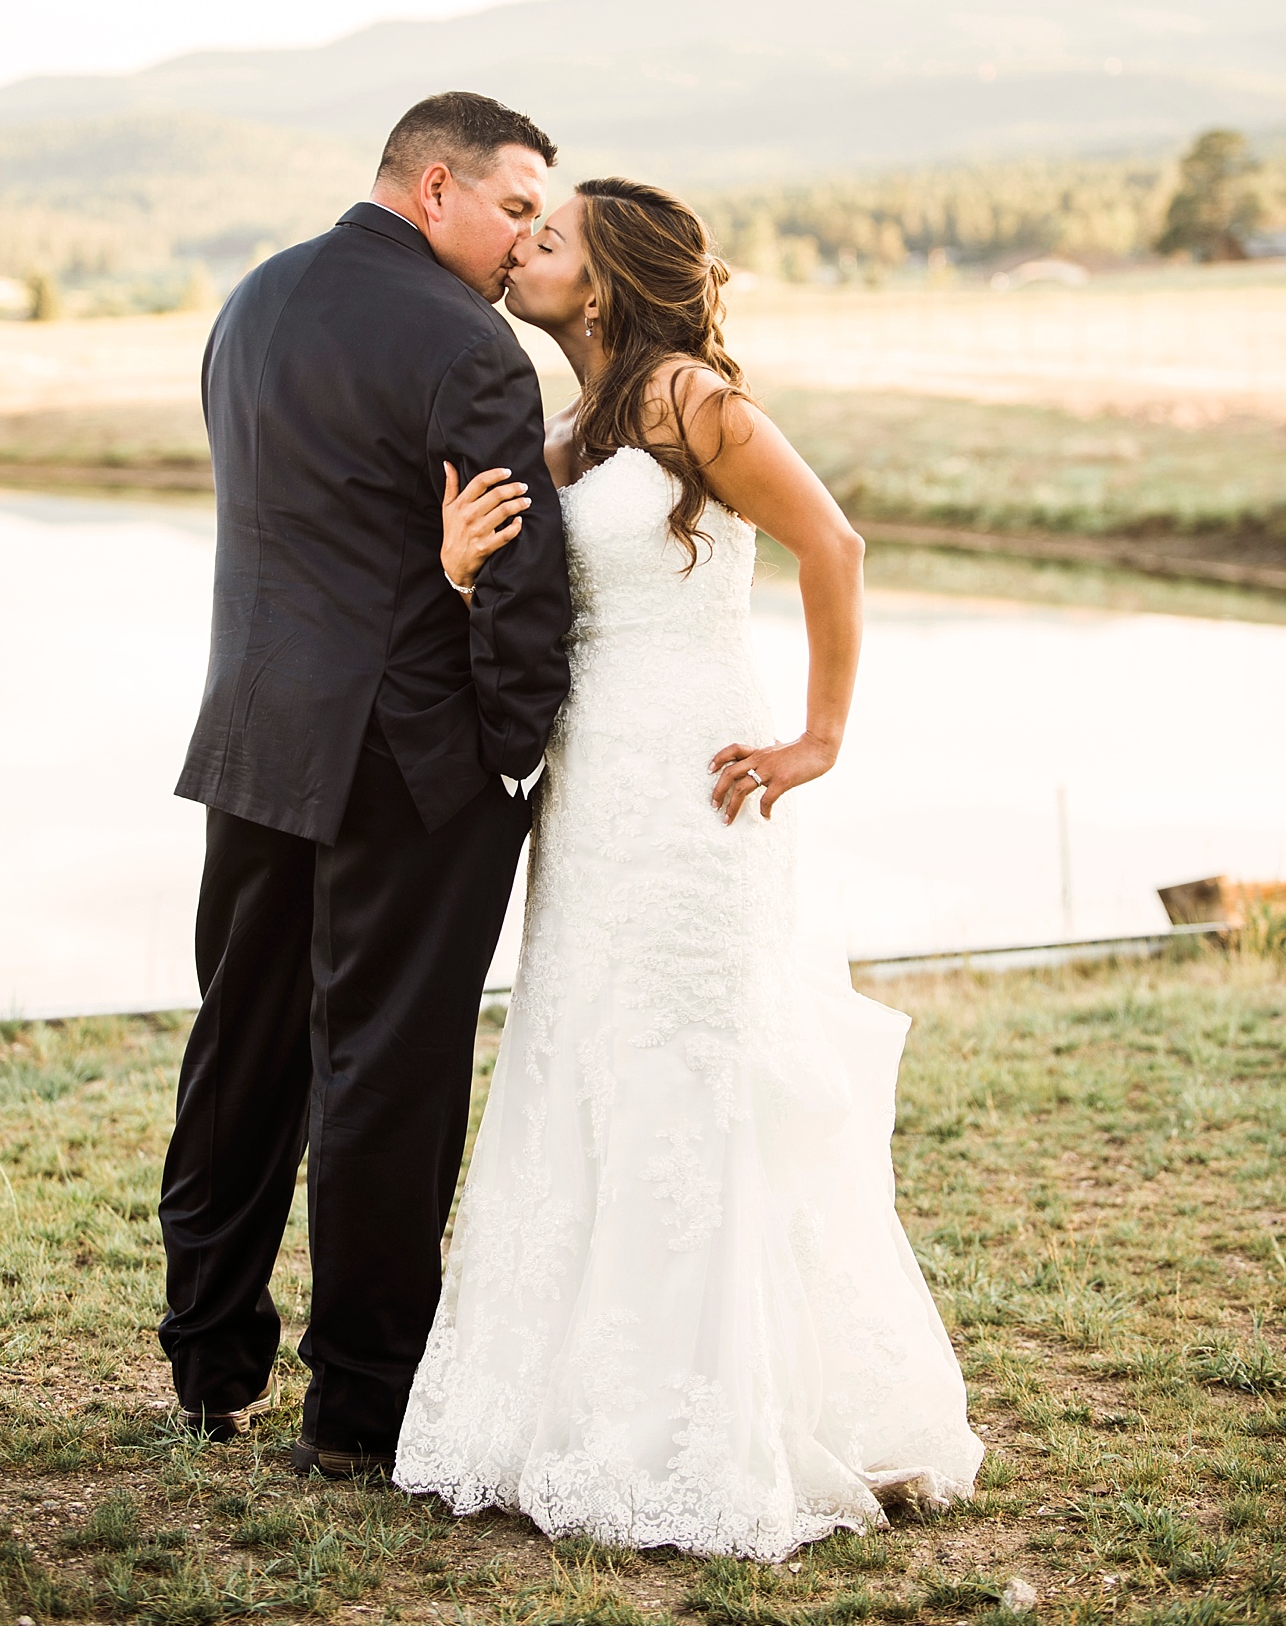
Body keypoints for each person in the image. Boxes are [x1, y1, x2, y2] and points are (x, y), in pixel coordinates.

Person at [393, 177, 984, 1559]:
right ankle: (578, 1406)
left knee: (690, 1073)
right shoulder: (564, 435)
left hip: (697, 795)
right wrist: (461, 570)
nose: (523, 254)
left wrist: (818, 737)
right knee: (585, 1059)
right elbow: (542, 611)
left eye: (548, 241)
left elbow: (833, 543)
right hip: (591, 795)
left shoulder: (690, 405)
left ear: (599, 285)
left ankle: (716, 1421)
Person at [159, 91, 573, 1477]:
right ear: (436, 185)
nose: (526, 242)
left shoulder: (253, 304)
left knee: (243, 1046)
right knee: (385, 1072)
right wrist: (511, 751)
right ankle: (360, 1407)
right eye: (515, 208)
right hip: (410, 762)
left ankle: (211, 1364)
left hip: (255, 733)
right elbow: (517, 594)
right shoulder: (472, 348)